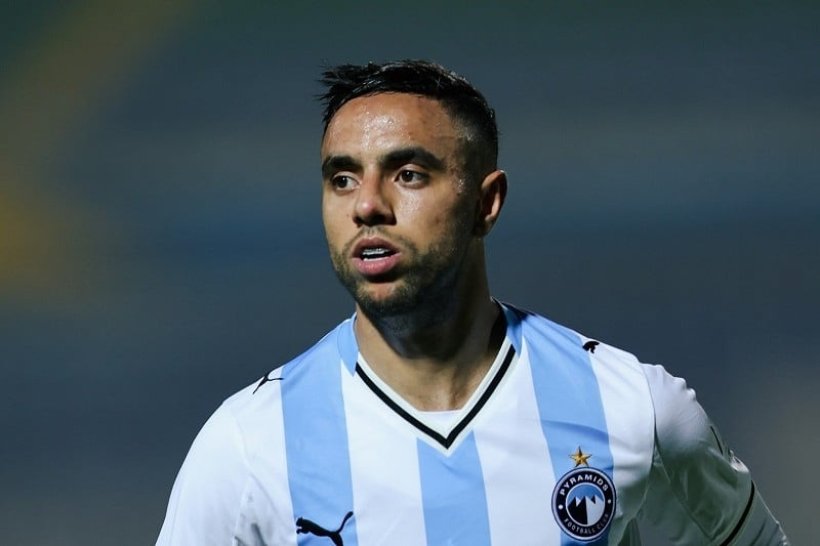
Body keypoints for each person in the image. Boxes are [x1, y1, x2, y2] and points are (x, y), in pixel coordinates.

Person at [156, 60, 789, 545]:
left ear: (487, 202)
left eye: (408, 174)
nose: (367, 205)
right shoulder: (248, 446)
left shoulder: (632, 409)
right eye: (342, 178)